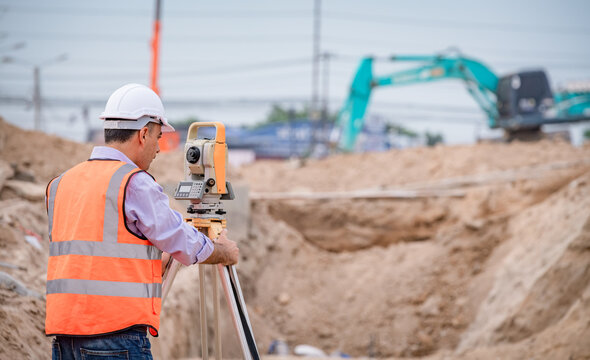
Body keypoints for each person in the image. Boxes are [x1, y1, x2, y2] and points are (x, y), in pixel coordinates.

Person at [45, 83, 239, 360]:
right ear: (144, 133)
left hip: (64, 339)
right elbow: (182, 241)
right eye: (158, 138)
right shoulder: (133, 183)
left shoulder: (61, 183)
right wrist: (224, 251)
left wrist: (144, 265)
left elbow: (91, 255)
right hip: (115, 339)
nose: (158, 149)